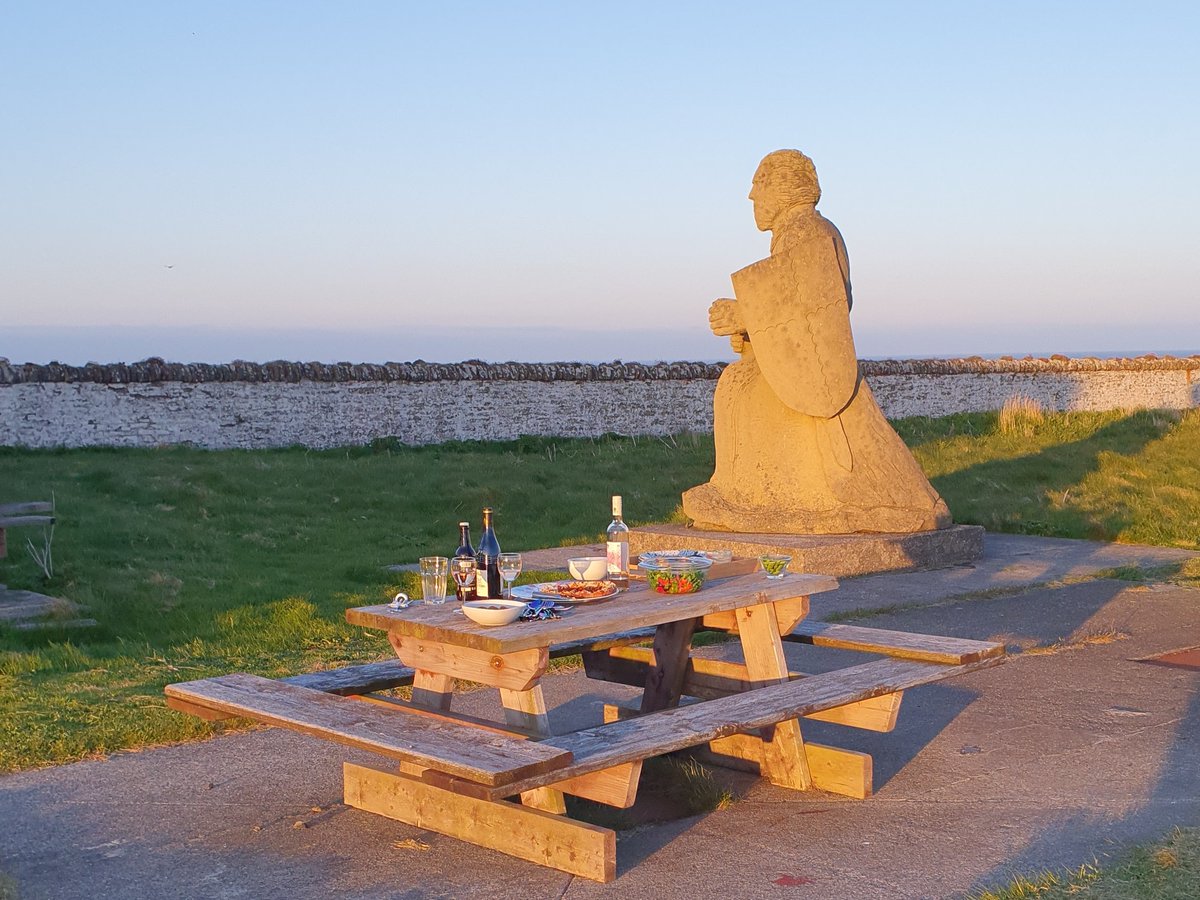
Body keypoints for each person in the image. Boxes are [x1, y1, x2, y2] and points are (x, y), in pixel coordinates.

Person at [682, 150, 951, 534]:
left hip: (813, 380)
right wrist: (747, 330)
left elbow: (817, 311)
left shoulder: (808, 233)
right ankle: (744, 488)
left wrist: (744, 315)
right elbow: (792, 308)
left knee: (736, 386)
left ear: (782, 188)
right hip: (801, 370)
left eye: (759, 184)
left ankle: (749, 496)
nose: (751, 195)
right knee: (736, 383)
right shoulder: (803, 233)